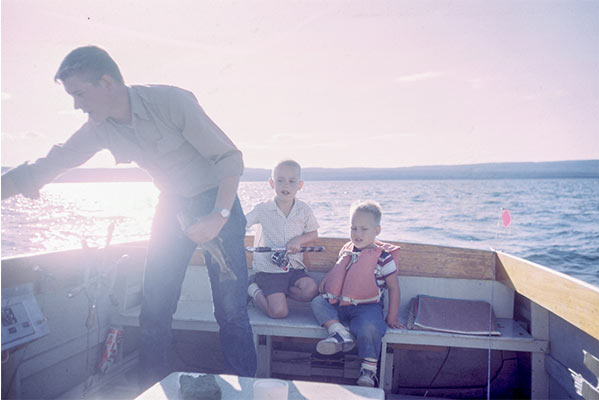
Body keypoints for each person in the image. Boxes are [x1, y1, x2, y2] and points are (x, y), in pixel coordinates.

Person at [1, 45, 257, 388]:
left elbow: (229, 158)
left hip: (217, 200)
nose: (76, 105)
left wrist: (219, 215)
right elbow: (54, 161)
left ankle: (248, 389)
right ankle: (153, 389)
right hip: (172, 205)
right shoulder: (100, 127)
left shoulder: (170, 102)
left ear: (107, 82)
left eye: (79, 93)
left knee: (231, 313)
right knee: (154, 309)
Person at [310, 200, 404, 387]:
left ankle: (369, 371)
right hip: (339, 304)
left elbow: (394, 287)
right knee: (318, 302)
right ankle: (339, 333)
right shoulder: (347, 249)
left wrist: (392, 317)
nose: (357, 234)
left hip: (367, 307)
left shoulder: (383, 258)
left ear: (377, 231)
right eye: (353, 228)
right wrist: (326, 279)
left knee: (370, 327)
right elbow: (339, 269)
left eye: (364, 229)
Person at [245, 160, 319, 318]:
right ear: (272, 183)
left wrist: (298, 240)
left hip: (294, 269)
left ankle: (278, 294)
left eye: (292, 181)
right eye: (280, 180)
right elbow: (241, 224)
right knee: (278, 312)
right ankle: (253, 289)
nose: (286, 185)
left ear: (299, 185)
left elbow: (313, 233)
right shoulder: (262, 209)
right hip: (269, 271)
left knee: (311, 290)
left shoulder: (304, 209)